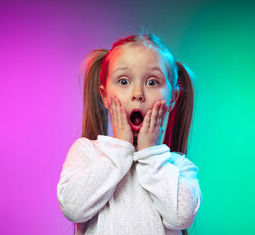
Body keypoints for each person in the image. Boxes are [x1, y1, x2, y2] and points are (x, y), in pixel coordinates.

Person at [57, 34, 202, 235]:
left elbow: (182, 216)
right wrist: (119, 150)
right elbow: (73, 209)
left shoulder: (178, 167)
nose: (137, 93)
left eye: (152, 82)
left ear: (172, 99)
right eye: (124, 81)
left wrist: (150, 154)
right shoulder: (87, 152)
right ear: (105, 96)